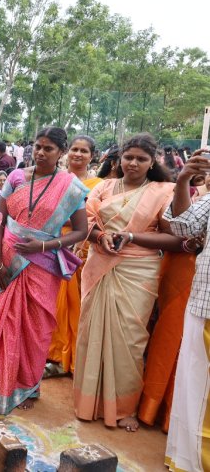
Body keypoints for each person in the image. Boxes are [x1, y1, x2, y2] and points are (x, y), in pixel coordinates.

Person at [0, 127, 89, 414]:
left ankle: (27, 386)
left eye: (48, 148)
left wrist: (46, 247)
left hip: (42, 264)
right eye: (38, 146)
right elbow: (0, 220)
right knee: (4, 323)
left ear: (61, 152)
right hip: (9, 259)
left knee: (36, 328)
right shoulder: (15, 177)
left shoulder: (70, 187)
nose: (40, 152)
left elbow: (81, 231)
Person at [74, 133, 182, 432]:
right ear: (119, 158)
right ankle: (89, 402)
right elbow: (87, 224)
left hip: (139, 268)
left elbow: (173, 237)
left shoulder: (163, 191)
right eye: (129, 157)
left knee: (130, 340)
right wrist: (99, 237)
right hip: (99, 263)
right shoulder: (105, 187)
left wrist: (131, 237)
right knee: (91, 333)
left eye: (141, 158)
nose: (133, 163)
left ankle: (125, 408)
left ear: (152, 162)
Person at [162, 151, 210, 471]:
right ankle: (191, 461)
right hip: (206, 304)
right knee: (196, 384)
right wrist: (182, 181)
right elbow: (181, 227)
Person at [45, 135, 102, 378]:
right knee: (54, 303)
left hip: (81, 246)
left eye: (84, 151)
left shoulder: (99, 185)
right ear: (67, 152)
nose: (78, 155)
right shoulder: (56, 179)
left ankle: (74, 358)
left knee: (76, 303)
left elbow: (95, 217)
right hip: (50, 244)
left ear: (92, 155)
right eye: (75, 150)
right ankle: (54, 356)